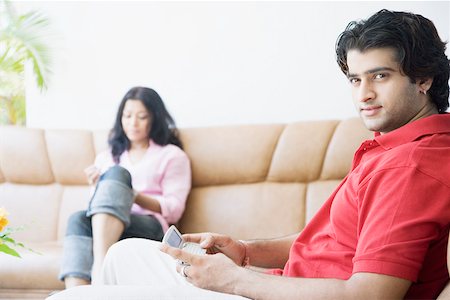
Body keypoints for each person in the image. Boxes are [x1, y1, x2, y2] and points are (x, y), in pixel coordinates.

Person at [98, 9, 450, 299]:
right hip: (278, 285)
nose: (364, 95)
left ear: (423, 79)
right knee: (121, 254)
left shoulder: (411, 166)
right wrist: (244, 251)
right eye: (356, 80)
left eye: (380, 76)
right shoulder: (395, 147)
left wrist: (233, 279)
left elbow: (372, 294)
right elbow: (333, 242)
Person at [58, 86, 191, 288]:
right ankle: (75, 294)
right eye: (127, 116)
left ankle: (101, 273)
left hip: (150, 225)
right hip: (109, 225)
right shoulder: (106, 156)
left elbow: (174, 209)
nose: (132, 123)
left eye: (141, 117)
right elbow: (98, 210)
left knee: (118, 174)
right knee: (77, 218)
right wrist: (97, 186)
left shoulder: (172, 155)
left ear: (154, 118)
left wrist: (133, 195)